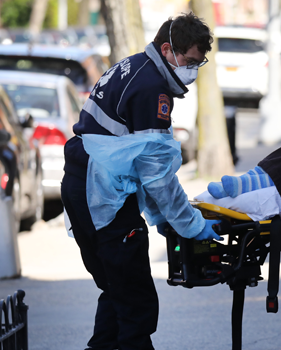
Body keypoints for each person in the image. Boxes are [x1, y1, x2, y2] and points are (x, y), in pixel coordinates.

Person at [61, 13, 221, 350]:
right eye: (190, 61)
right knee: (134, 301)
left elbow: (133, 157)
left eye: (198, 63)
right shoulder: (152, 91)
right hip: (103, 196)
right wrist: (191, 225)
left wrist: (162, 219)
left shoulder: (133, 67)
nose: (192, 72)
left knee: (116, 288)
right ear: (168, 50)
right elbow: (157, 174)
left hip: (85, 187)